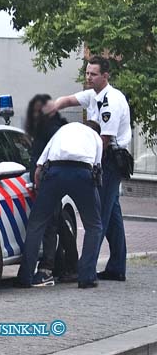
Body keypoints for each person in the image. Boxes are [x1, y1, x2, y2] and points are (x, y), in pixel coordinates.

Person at [44, 56, 131, 281]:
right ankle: (117, 267)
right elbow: (69, 100)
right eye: (87, 73)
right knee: (113, 217)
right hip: (106, 159)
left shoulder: (110, 101)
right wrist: (52, 106)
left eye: (93, 74)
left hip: (109, 160)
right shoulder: (94, 95)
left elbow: (103, 141)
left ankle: (86, 270)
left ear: (105, 76)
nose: (88, 77)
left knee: (97, 216)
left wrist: (91, 167)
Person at [16, 121, 104, 289]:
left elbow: (39, 166)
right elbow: (97, 167)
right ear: (97, 132)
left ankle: (25, 277)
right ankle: (86, 277)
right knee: (94, 226)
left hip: (54, 172)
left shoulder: (63, 130)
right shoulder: (96, 138)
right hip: (82, 173)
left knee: (36, 224)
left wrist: (42, 186)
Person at [24, 94, 75, 286]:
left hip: (48, 182)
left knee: (50, 225)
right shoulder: (47, 129)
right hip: (47, 180)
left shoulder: (52, 130)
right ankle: (69, 267)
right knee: (58, 223)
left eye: (41, 110)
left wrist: (39, 177)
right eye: (35, 110)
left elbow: (44, 157)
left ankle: (46, 269)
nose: (38, 114)